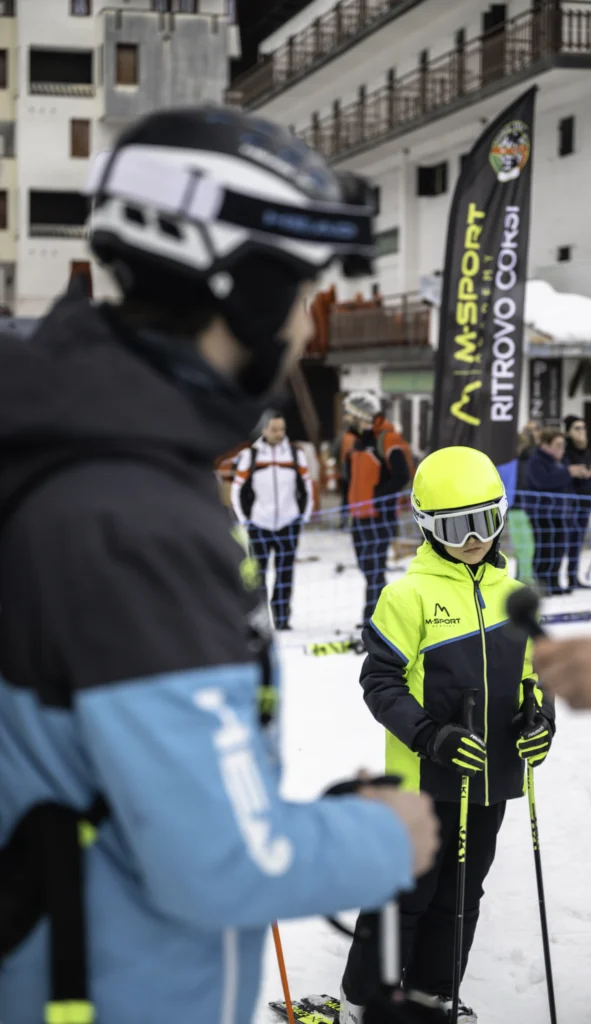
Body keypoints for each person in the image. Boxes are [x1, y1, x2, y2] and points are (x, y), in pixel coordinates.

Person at [0, 107, 440, 1024]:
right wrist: (376, 838)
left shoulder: (70, 447)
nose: (305, 330)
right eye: (302, 293)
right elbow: (217, 864)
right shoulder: (132, 517)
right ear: (245, 290)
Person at [340, 446, 555, 1024]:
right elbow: (380, 682)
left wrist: (540, 721)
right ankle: (365, 1002)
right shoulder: (406, 596)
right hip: (422, 781)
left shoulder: (516, 595)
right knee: (405, 895)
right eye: (457, 527)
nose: (474, 539)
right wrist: (429, 735)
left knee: (461, 896)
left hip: (487, 778)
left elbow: (537, 676)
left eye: (485, 521)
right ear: (428, 527)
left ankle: (433, 995)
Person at [232, 412, 313, 631]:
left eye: (282, 429)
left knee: (285, 573)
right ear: (264, 430)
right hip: (259, 524)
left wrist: (302, 517)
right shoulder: (250, 455)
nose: (279, 434)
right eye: (275, 429)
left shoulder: (295, 454)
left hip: (288, 523)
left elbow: (306, 486)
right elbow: (237, 489)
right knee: (258, 575)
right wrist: (245, 520)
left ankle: (282, 617)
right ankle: (261, 617)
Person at [345, 391, 412, 626]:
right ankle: (383, 612)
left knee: (374, 568)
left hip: (379, 515)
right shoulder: (358, 441)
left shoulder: (387, 439)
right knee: (366, 566)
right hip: (359, 516)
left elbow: (402, 475)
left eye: (349, 413)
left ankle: (373, 617)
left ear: (361, 415)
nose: (346, 418)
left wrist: (377, 497)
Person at [525, 427, 591, 595]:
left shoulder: (561, 462)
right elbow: (543, 481)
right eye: (558, 445)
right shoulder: (536, 461)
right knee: (544, 549)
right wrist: (568, 472)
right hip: (542, 514)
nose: (562, 449)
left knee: (558, 550)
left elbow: (568, 485)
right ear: (545, 445)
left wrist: (583, 477)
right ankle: (541, 584)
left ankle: (554, 582)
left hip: (561, 513)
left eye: (563, 445)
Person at [563, 416, 591, 590]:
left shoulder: (587, 451)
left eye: (583, 428)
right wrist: (571, 472)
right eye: (577, 428)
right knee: (563, 542)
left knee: (577, 543)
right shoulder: (564, 451)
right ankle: (553, 580)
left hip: (586, 503)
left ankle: (573, 577)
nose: (581, 432)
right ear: (568, 432)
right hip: (570, 504)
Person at [507, 421, 539, 586]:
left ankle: (524, 577)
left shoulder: (526, 458)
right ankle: (524, 578)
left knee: (525, 545)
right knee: (524, 546)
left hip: (522, 506)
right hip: (520, 506)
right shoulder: (524, 459)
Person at [332, 412, 359, 528]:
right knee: (354, 497)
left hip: (345, 472)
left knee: (345, 498)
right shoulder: (358, 437)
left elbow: (334, 451)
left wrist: (339, 464)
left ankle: (344, 521)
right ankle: (354, 521)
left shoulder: (342, 436)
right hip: (355, 473)